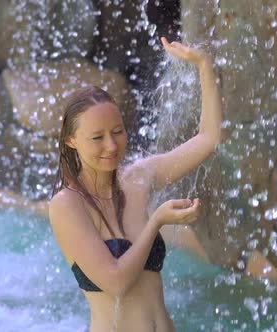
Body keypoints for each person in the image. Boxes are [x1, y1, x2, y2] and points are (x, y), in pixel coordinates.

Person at [49, 37, 222, 332]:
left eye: (118, 131)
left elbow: (208, 140)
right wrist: (156, 222)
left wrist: (205, 68)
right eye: (97, 137)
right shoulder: (67, 204)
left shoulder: (139, 178)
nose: (111, 145)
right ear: (71, 141)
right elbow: (115, 281)